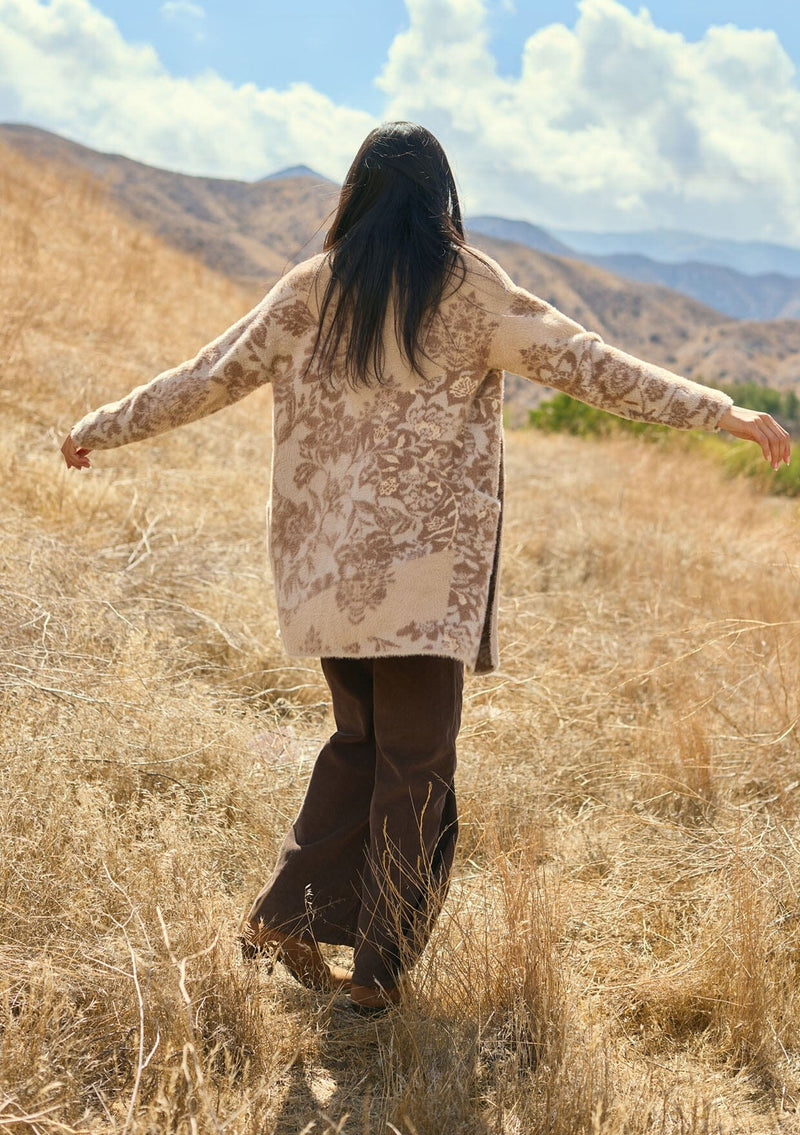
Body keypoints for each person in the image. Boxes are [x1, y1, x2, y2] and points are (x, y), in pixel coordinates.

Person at [62, 121, 791, 1014]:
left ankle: (288, 917)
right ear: (440, 198)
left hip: (327, 580)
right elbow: (591, 367)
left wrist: (100, 424)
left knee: (360, 744)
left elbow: (205, 376)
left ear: (356, 195)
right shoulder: (465, 288)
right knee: (416, 765)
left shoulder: (309, 290)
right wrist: (720, 410)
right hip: (420, 586)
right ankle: (375, 975)